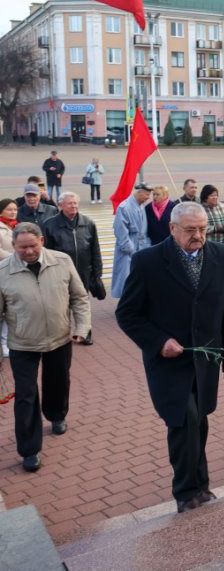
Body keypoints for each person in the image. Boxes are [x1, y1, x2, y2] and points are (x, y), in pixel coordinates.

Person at [116, 202, 224, 513]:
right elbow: (128, 313)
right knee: (182, 419)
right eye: (190, 230)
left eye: (202, 229)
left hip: (207, 358)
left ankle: (201, 485)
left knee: (199, 421)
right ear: (172, 229)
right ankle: (186, 492)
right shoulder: (148, 261)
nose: (198, 235)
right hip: (168, 363)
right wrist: (159, 342)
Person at [0, 223, 91, 471]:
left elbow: (79, 297)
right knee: (26, 395)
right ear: (14, 246)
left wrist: (81, 328)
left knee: (58, 381)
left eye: (32, 245)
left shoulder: (61, 261)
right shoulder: (3, 271)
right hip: (22, 343)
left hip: (59, 338)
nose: (28, 251)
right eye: (22, 247)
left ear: (41, 241)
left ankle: (57, 414)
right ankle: (29, 450)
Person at [41, 192, 102, 344]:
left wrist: (97, 273)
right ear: (61, 205)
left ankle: (85, 333)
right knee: (61, 305)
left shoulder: (88, 223)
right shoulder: (49, 225)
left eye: (75, 203)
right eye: (70, 203)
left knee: (82, 302)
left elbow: (95, 249)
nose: (74, 206)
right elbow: (46, 252)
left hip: (83, 272)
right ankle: (62, 334)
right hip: (59, 272)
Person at [111, 183, 152, 298]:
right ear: (139, 192)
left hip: (141, 247)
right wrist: (130, 249)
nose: (148, 197)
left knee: (139, 279)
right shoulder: (124, 207)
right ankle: (125, 306)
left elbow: (144, 229)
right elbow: (121, 232)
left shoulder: (141, 206)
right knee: (125, 280)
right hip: (127, 250)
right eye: (146, 194)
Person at [0, 199, 15, 356]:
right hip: (3, 271)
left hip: (14, 273)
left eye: (15, 209)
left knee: (11, 308)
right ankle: (3, 343)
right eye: (9, 209)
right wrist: (15, 258)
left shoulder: (16, 226)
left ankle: (7, 340)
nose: (13, 212)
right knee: (3, 310)